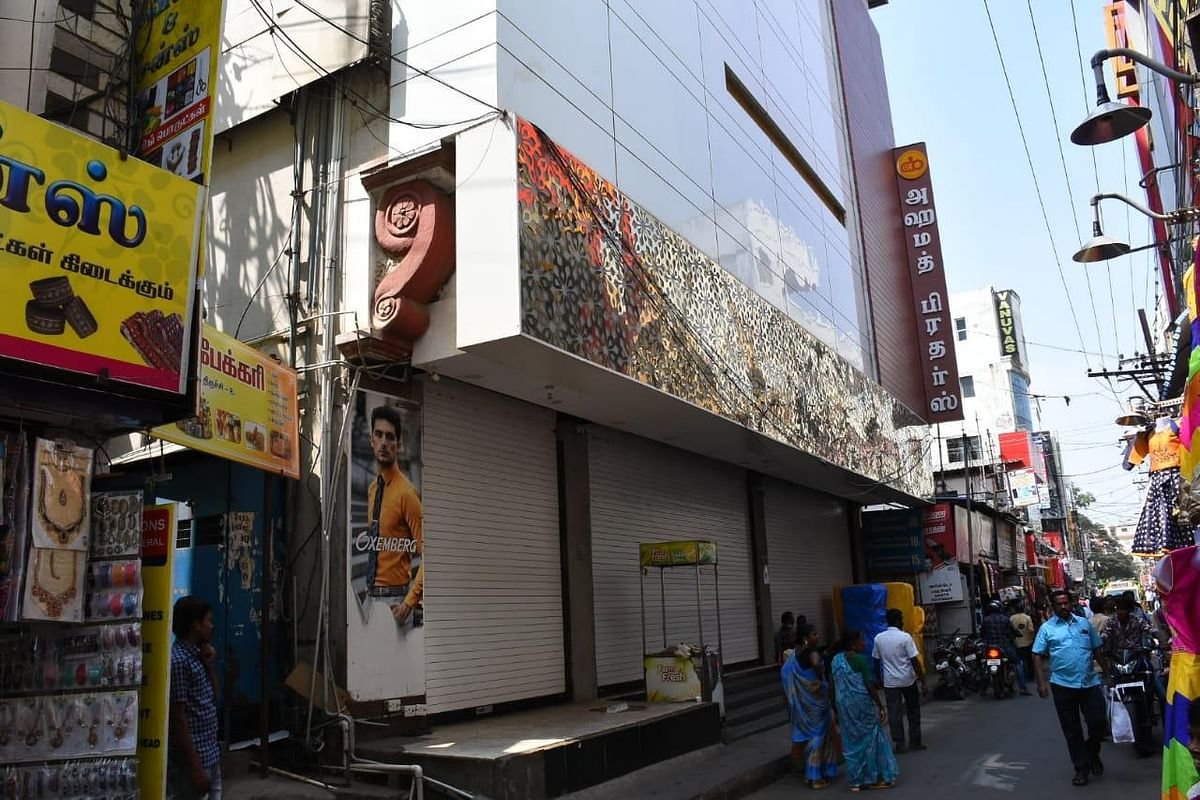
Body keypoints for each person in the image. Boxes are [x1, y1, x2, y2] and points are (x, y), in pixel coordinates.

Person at [1032, 589, 1108, 787]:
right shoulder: (1047, 628)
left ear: (1071, 603)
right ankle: (1081, 768)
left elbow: (1097, 649)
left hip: (1089, 682)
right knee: (1072, 730)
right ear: (1053, 606)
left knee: (1098, 723)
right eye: (1059, 604)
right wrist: (1041, 682)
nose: (1063, 607)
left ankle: (1092, 752)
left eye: (1066, 603)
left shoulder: (1084, 624)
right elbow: (1037, 654)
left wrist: (1108, 673)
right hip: (1063, 685)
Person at [365, 404, 424, 624]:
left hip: (395, 601)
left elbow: (429, 555)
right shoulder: (373, 489)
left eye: (390, 437)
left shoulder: (407, 493)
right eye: (379, 435)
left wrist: (409, 603)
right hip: (370, 598)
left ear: (398, 445)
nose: (384, 442)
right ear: (371, 440)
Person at [831, 630, 898, 791]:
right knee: (872, 738)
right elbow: (869, 685)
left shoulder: (836, 660)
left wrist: (834, 707)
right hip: (861, 705)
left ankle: (856, 781)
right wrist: (880, 705)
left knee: (851, 741)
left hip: (844, 706)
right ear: (853, 644)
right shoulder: (860, 660)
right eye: (861, 640)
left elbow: (832, 685)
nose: (865, 643)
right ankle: (874, 777)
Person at [168, 596, 221, 800]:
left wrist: (209, 665)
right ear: (196, 625)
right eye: (208, 621)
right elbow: (178, 718)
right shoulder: (179, 661)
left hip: (210, 753)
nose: (212, 626)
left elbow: (215, 696)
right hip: (195, 759)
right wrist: (196, 766)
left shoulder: (198, 656)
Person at [782, 625, 839, 788]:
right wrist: (821, 680)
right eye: (814, 634)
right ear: (805, 638)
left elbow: (786, 673)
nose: (818, 636)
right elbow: (816, 665)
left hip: (803, 703)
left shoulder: (795, 654)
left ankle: (815, 772)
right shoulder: (812, 652)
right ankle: (814, 777)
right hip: (815, 702)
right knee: (818, 735)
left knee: (813, 735)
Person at [871, 608, 927, 753]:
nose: (903, 622)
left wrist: (878, 679)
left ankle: (899, 743)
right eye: (901, 619)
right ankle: (915, 741)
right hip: (908, 680)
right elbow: (914, 661)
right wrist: (923, 681)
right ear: (897, 621)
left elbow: (876, 661)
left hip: (890, 682)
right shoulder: (905, 637)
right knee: (913, 710)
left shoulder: (879, 638)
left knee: (894, 713)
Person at [981, 601, 1029, 695]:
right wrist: (1018, 634)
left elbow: (982, 634)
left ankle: (983, 689)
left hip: (989, 648)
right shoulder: (1005, 619)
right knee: (1018, 663)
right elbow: (1013, 630)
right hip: (1005, 646)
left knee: (985, 666)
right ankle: (1023, 688)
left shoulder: (985, 620)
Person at [1010, 602, 1036, 684]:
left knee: (1020, 660)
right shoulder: (1027, 618)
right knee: (1029, 660)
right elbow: (1031, 630)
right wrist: (1032, 638)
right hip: (1028, 642)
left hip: (1017, 643)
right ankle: (1030, 676)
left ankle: (1022, 676)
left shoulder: (1012, 618)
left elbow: (1010, 630)